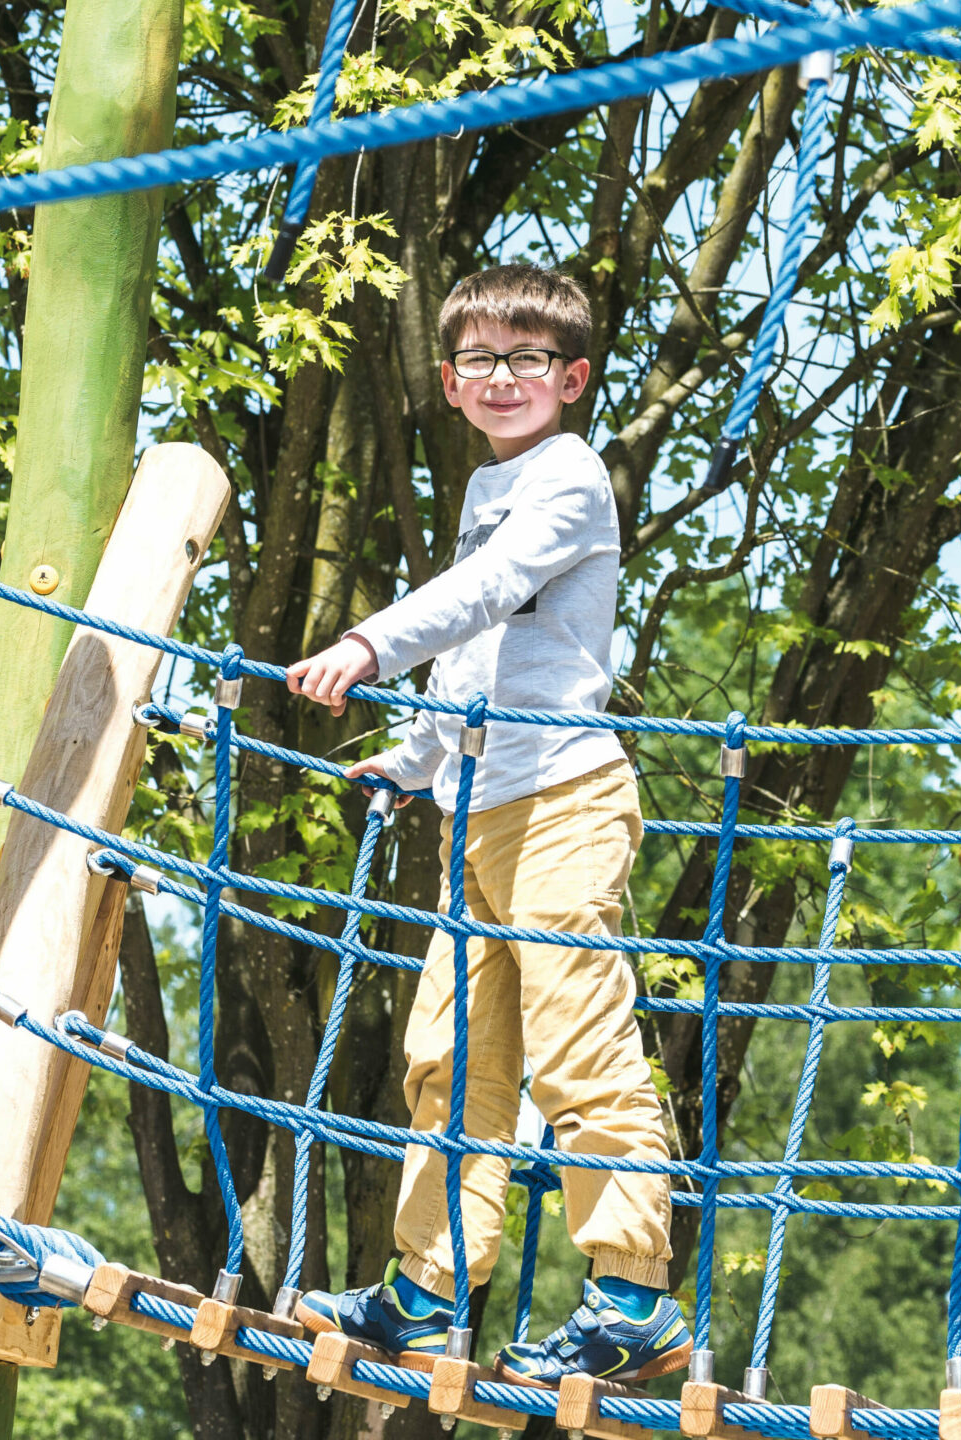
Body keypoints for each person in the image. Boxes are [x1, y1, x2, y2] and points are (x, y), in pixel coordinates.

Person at [281, 263, 691, 1386]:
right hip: (480, 807)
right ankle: (426, 1285)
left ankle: (630, 1292)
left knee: (577, 1039)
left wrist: (366, 645)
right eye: (477, 362)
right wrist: (416, 757)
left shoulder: (566, 480)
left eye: (525, 361)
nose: (501, 379)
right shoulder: (486, 486)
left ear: (571, 379)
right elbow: (481, 652)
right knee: (451, 1056)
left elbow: (487, 593)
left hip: (562, 797)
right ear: (451, 384)